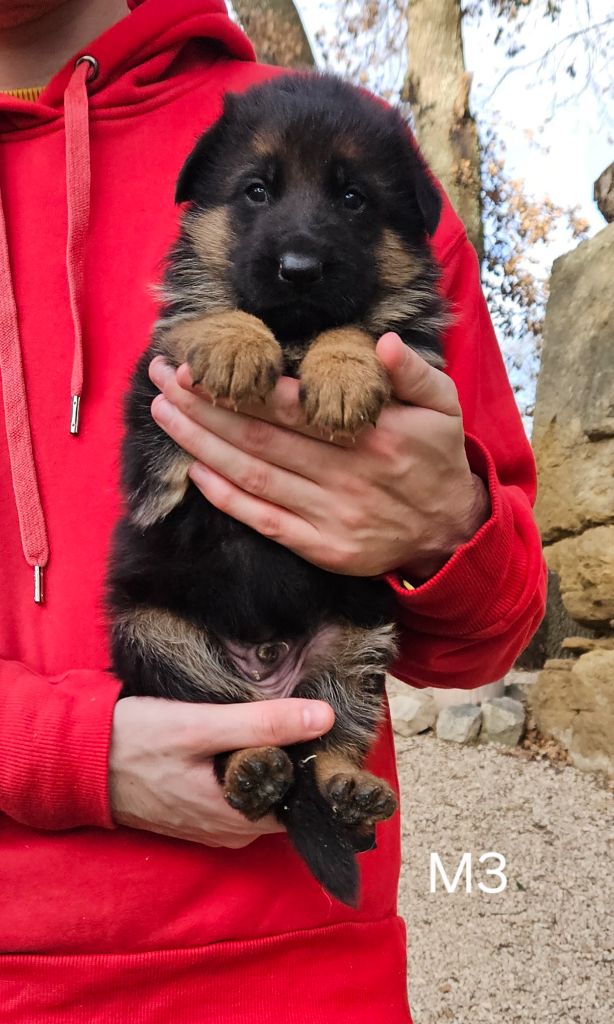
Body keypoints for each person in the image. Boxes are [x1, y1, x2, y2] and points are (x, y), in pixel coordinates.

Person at [0, 1, 546, 1021]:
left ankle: (317, 771)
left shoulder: (349, 131)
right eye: (255, 195)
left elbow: (495, 627)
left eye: (343, 201)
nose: (298, 239)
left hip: (289, 978)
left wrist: (444, 525)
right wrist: (68, 750)